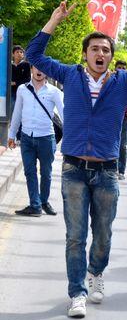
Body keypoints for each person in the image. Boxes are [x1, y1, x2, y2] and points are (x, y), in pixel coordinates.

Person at [26, 2, 127, 318]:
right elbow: (34, 56)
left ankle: (96, 273)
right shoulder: (69, 75)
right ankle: (76, 292)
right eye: (94, 49)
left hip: (106, 170)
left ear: (109, 54)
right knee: (75, 236)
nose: (100, 54)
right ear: (86, 54)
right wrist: (53, 20)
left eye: (105, 49)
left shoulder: (124, 81)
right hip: (74, 169)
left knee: (103, 232)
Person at [7, 65, 63, 217]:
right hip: (26, 138)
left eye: (42, 68)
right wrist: (11, 135)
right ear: (31, 69)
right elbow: (17, 112)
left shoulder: (54, 91)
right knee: (29, 172)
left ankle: (43, 201)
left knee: (46, 172)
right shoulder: (22, 89)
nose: (39, 71)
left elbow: (64, 115)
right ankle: (35, 205)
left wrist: (72, 139)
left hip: (46, 138)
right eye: (36, 68)